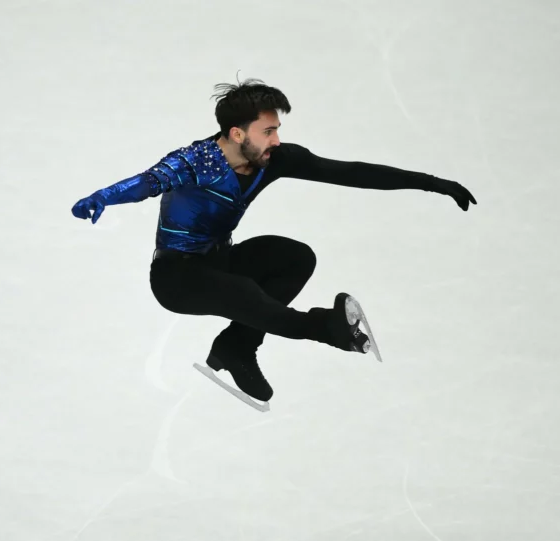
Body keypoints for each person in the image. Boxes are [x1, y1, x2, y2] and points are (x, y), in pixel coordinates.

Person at [70, 78, 476, 403]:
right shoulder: (195, 162)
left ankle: (236, 348)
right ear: (236, 133)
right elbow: (148, 182)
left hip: (219, 260)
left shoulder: (271, 160)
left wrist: (430, 183)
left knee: (293, 257)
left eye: (277, 130)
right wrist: (103, 196)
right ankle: (329, 329)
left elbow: (347, 172)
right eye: (268, 131)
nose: (276, 140)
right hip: (176, 278)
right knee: (246, 294)